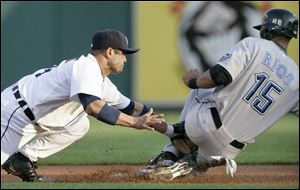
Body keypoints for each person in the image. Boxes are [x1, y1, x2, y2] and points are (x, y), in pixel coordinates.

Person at [145, 8, 299, 180]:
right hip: (228, 150)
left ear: (267, 29)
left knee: (201, 88)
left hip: (203, 126)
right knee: (201, 160)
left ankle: (170, 152)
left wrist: (192, 81)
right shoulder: (296, 80)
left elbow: (219, 76)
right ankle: (190, 164)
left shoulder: (254, 44)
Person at [1, 28, 164, 182]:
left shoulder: (101, 80)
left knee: (80, 125)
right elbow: (93, 107)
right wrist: (134, 122)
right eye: (123, 53)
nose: (125, 59)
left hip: (31, 119)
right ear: (109, 52)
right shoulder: (87, 67)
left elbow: (130, 107)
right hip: (13, 113)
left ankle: (22, 159)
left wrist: (170, 129)